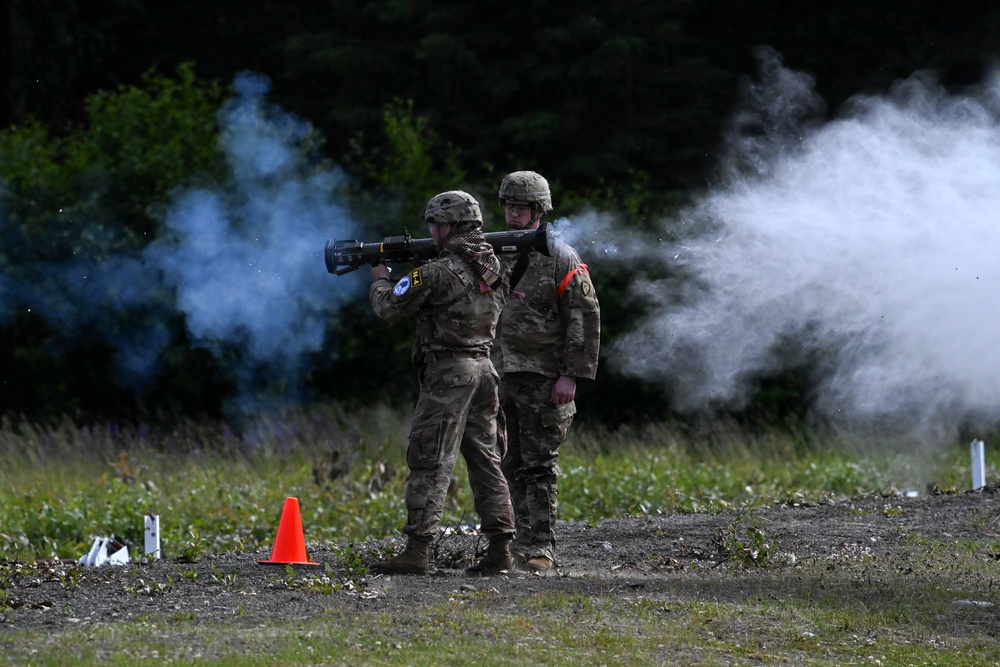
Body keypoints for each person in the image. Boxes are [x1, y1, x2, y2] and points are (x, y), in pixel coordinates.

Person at [368, 190, 516, 576]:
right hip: (484, 371)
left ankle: (417, 550)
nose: (430, 230)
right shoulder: (493, 266)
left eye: (434, 223)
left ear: (448, 226)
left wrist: (381, 278)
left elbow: (388, 307)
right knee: (487, 460)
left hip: (449, 373)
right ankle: (501, 549)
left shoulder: (432, 273)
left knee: (430, 459)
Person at [494, 171, 601, 573]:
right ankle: (511, 544)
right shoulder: (495, 252)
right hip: (502, 374)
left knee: (538, 466)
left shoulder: (561, 257)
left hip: (544, 378)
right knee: (506, 464)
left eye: (521, 207)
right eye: (509, 205)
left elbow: (584, 318)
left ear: (539, 211)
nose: (513, 213)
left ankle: (540, 547)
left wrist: (571, 375)